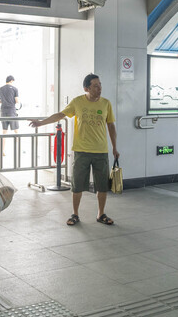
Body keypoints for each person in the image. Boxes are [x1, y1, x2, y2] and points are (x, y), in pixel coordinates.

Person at [30, 73, 119, 226]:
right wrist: (41, 123)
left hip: (101, 151)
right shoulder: (77, 102)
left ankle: (101, 214)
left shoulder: (106, 104)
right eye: (95, 86)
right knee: (77, 185)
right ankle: (75, 214)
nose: (99, 88)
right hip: (81, 151)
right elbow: (60, 115)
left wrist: (114, 147)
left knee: (102, 185)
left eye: (100, 85)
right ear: (86, 88)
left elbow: (111, 125)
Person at [0, 75, 19, 155]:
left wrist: (4, 100)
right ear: (12, 81)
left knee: (4, 131)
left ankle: (2, 150)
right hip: (11, 111)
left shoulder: (0, 89)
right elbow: (17, 101)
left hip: (3, 111)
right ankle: (18, 149)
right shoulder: (15, 89)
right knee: (16, 131)